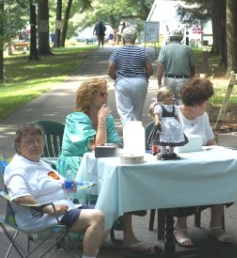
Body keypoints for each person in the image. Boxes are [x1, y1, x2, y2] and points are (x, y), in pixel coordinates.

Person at [56, 78, 151, 253]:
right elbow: (96, 146)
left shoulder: (106, 119)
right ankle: (91, 235)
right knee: (115, 185)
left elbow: (115, 144)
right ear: (89, 96)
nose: (106, 97)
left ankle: (128, 238)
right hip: (76, 168)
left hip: (102, 164)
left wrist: (106, 125)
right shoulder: (75, 118)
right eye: (101, 93)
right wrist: (100, 121)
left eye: (106, 93)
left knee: (124, 182)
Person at [4, 123, 109, 258]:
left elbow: (58, 182)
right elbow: (19, 197)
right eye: (29, 142)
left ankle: (90, 249)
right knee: (97, 217)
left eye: (38, 140)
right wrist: (47, 208)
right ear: (18, 146)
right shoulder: (17, 168)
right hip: (41, 217)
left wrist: (71, 185)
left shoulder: (39, 162)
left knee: (108, 212)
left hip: (63, 208)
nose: (35, 145)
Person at [171, 78, 232, 247]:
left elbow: (211, 142)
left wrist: (221, 153)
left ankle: (216, 225)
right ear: (196, 104)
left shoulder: (202, 116)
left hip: (203, 164)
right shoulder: (174, 115)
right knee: (185, 181)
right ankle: (180, 226)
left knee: (223, 177)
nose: (207, 105)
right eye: (205, 102)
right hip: (181, 166)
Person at [108, 27, 153, 126]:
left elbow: (110, 69)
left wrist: (117, 79)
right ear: (135, 38)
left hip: (123, 82)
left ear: (123, 38)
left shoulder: (117, 51)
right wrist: (144, 78)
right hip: (140, 82)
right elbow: (150, 70)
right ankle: (137, 136)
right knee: (137, 113)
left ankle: (129, 138)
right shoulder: (142, 51)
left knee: (125, 113)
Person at [148, 86, 188, 160]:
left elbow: (176, 116)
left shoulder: (174, 107)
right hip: (164, 126)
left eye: (171, 96)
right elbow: (157, 115)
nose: (171, 97)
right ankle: (163, 152)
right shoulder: (160, 107)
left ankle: (171, 152)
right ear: (161, 98)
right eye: (168, 96)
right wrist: (157, 121)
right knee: (164, 139)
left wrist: (179, 123)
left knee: (172, 139)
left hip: (173, 126)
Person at [157, 28, 195, 104]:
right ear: (181, 38)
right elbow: (192, 66)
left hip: (169, 79)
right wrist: (191, 78)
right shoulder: (188, 49)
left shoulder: (164, 49)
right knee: (182, 102)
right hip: (184, 80)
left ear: (170, 38)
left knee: (168, 102)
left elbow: (160, 65)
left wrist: (159, 82)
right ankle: (180, 116)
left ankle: (170, 115)